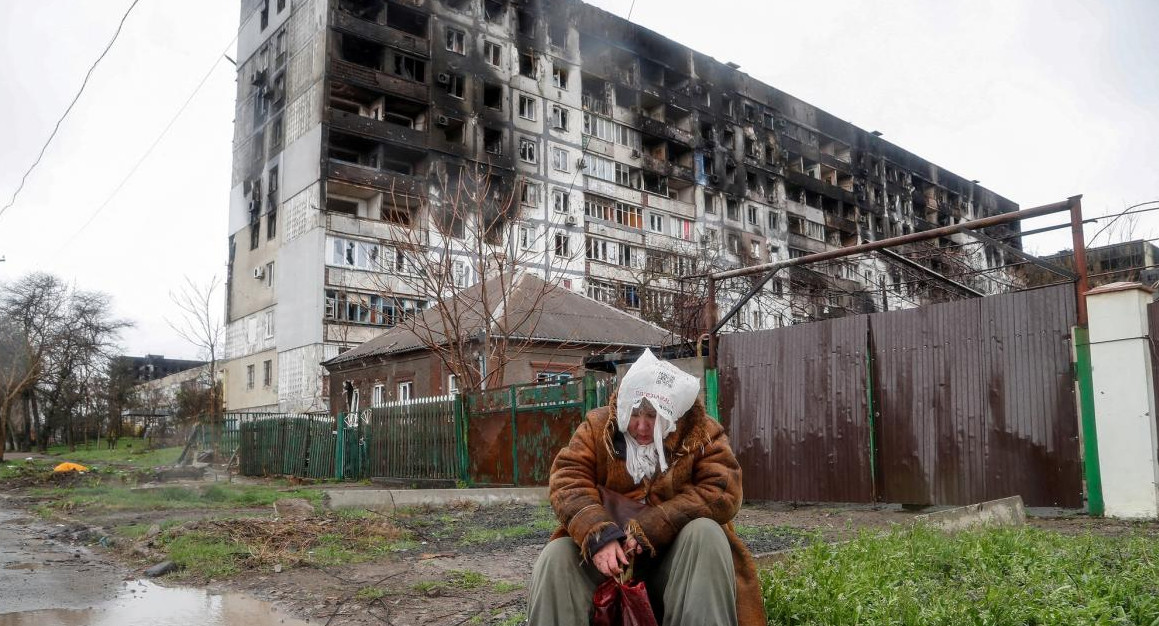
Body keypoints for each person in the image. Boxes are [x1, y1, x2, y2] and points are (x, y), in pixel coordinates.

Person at [529, 350, 766, 626]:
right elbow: (567, 479)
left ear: (671, 413)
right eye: (634, 414)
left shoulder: (700, 432)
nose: (641, 426)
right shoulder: (597, 427)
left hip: (676, 566)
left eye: (653, 416)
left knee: (706, 534)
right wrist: (598, 535)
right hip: (609, 564)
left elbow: (723, 490)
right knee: (557, 556)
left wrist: (656, 525)